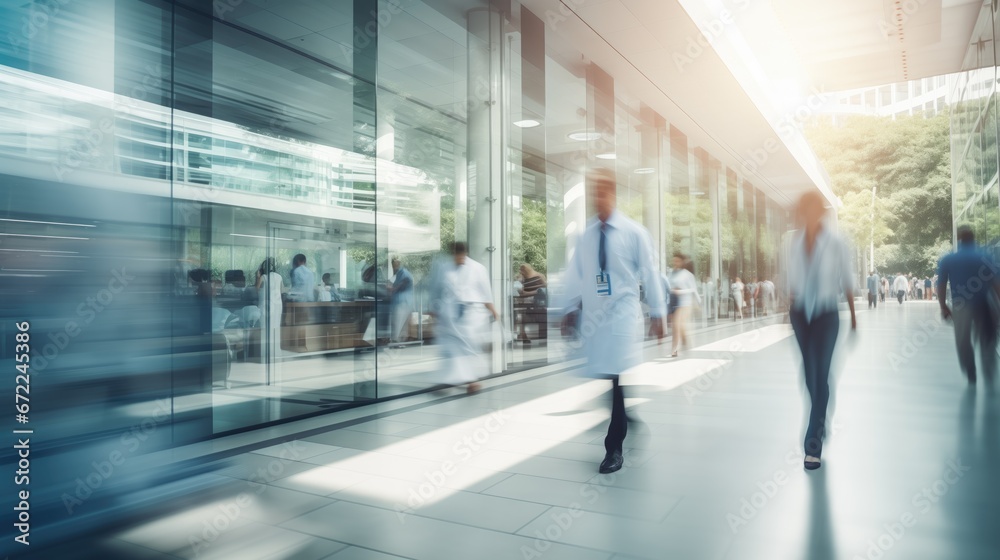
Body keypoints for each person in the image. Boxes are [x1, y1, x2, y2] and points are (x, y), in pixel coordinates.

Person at [561, 169, 665, 474]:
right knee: (610, 376)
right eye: (594, 193)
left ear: (613, 195)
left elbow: (650, 272)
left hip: (622, 313)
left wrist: (658, 312)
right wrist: (567, 309)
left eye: (603, 193)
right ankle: (627, 419)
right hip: (595, 316)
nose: (598, 199)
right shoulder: (586, 235)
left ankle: (614, 448)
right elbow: (575, 274)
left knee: (616, 377)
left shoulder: (634, 233)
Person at [786, 191, 857, 471]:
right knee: (810, 375)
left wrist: (853, 316)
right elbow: (790, 278)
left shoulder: (837, 242)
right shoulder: (793, 241)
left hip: (827, 314)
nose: (808, 215)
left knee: (819, 373)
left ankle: (812, 444)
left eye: (813, 209)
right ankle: (821, 419)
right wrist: (786, 312)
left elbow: (847, 278)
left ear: (821, 212)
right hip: (801, 314)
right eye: (804, 210)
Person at [429, 242, 499, 393]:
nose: (459, 259)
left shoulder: (478, 268)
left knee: (468, 348)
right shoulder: (444, 268)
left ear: (466, 253)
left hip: (471, 314)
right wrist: (433, 309)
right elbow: (436, 290)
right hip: (449, 313)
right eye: (456, 256)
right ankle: (450, 380)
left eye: (461, 256)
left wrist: (493, 310)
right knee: (450, 349)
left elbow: (486, 292)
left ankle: (471, 380)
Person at [937, 225, 1000, 386]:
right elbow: (995, 283)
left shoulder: (948, 259)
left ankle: (970, 372)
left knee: (962, 340)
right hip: (984, 303)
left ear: (958, 239)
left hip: (960, 304)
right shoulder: (986, 256)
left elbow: (942, 285)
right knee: (987, 339)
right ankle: (989, 374)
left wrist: (943, 306)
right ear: (973, 237)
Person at [669, 253, 700, 357]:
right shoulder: (672, 273)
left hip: (685, 303)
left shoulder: (687, 274)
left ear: (682, 262)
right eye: (674, 261)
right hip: (675, 303)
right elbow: (670, 286)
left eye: (677, 261)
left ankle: (674, 349)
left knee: (676, 325)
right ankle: (684, 340)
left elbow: (693, 289)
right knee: (678, 326)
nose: (675, 263)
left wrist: (680, 291)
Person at [256, 257, 283, 363]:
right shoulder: (279, 276)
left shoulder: (264, 277)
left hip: (267, 305)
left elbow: (256, 289)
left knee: (265, 329)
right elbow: (282, 290)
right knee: (276, 328)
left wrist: (257, 277)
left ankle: (265, 355)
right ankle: (276, 354)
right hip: (277, 305)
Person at [516, 263, 547, 341]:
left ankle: (541, 334)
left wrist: (529, 293)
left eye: (522, 270)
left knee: (538, 317)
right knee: (522, 316)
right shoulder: (523, 278)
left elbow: (544, 288)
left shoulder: (538, 276)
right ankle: (523, 334)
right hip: (526, 301)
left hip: (537, 301)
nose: (521, 272)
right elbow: (521, 289)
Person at [388, 257, 415, 343]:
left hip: (403, 303)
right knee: (402, 324)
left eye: (394, 265)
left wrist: (391, 288)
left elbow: (400, 285)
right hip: (403, 302)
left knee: (398, 323)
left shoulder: (404, 273)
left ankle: (396, 341)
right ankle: (400, 342)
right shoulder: (399, 273)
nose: (393, 267)